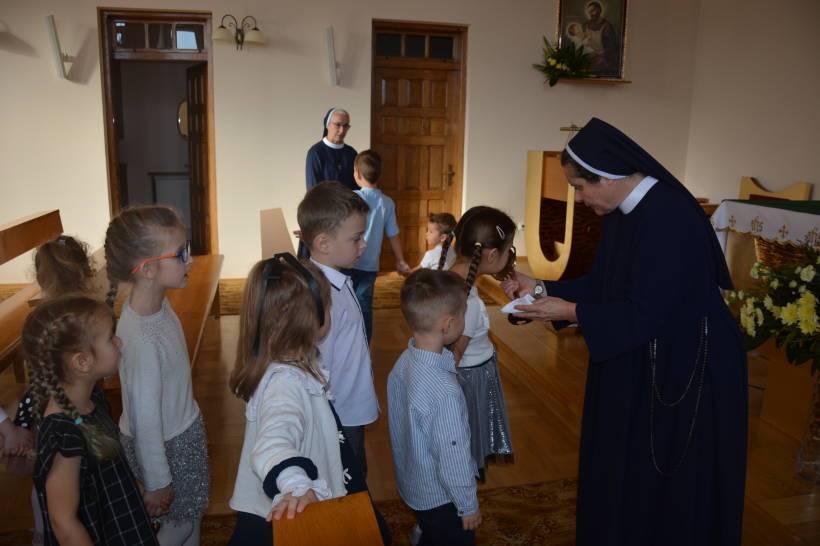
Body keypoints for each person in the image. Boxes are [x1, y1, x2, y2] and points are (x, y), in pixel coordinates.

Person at [503, 117, 747, 545]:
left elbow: (651, 311)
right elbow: (605, 285)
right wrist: (540, 288)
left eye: (580, 187)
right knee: (625, 464)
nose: (579, 199)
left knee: (667, 477)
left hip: (686, 364)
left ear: (610, 177)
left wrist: (573, 311)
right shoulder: (623, 212)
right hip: (646, 350)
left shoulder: (670, 217)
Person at [227, 254, 390, 545]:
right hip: (289, 501)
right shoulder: (285, 382)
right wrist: (296, 485)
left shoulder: (296, 362)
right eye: (328, 304)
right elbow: (273, 442)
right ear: (311, 319)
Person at [105, 205, 210, 546]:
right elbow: (145, 418)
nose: (190, 260)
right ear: (148, 269)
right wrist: (157, 481)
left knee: (191, 517)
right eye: (181, 254)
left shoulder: (158, 306)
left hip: (180, 432)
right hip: (166, 447)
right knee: (179, 525)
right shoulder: (142, 340)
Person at [22, 295, 157, 545]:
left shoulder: (93, 401)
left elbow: (108, 465)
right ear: (82, 361)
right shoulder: (64, 435)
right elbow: (64, 523)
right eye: (110, 337)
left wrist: (135, 490)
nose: (119, 341)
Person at [388, 269, 480, 546]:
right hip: (442, 498)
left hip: (413, 482)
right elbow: (453, 453)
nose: (464, 319)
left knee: (432, 530)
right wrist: (467, 504)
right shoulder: (444, 391)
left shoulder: (404, 361)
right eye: (463, 314)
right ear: (448, 323)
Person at [297, 181, 379, 479]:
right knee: (347, 483)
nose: (364, 244)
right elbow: (315, 366)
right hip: (339, 414)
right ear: (323, 243)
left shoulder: (337, 281)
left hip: (348, 407)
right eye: (356, 238)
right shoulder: (321, 297)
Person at [438, 206, 515, 476]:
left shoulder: (446, 278)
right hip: (470, 381)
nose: (510, 255)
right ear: (492, 255)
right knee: (466, 449)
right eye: (509, 250)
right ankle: (462, 489)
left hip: (469, 376)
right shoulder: (467, 301)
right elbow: (454, 356)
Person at [347, 149, 410, 342]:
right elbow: (393, 234)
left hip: (347, 262)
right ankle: (365, 346)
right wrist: (400, 260)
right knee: (365, 305)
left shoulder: (351, 197)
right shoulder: (387, 203)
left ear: (358, 174)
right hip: (370, 265)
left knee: (346, 302)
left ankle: (348, 341)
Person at [305, 108, 358, 192]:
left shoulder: (352, 153)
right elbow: (313, 191)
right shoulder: (315, 153)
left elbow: (357, 187)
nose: (342, 130)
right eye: (338, 124)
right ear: (327, 125)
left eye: (345, 126)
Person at [582, 1, 620, 76]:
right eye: (589, 12)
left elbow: (611, 47)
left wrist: (600, 54)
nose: (591, 14)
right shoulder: (585, 25)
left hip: (603, 57)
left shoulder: (606, 26)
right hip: (589, 55)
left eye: (593, 11)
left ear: (599, 10)